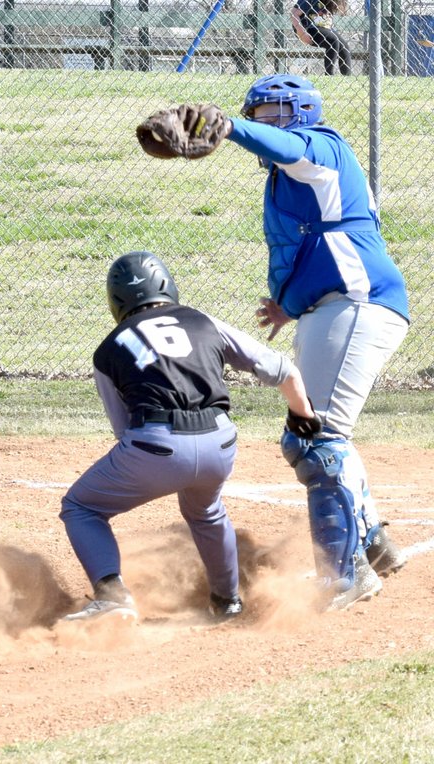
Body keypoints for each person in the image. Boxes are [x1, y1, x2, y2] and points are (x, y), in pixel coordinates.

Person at [219, 74, 410, 610]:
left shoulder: (319, 146)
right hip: (337, 307)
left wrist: (231, 128)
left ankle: (344, 574)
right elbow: (321, 243)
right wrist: (290, 302)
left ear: (300, 112)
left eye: (273, 113)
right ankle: (371, 543)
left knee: (314, 438)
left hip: (357, 304)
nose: (265, 124)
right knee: (321, 435)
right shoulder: (287, 178)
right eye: (257, 116)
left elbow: (289, 145)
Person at [60, 250, 322, 622]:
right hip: (220, 442)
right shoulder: (202, 321)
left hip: (156, 447)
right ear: (168, 286)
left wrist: (159, 462)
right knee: (206, 511)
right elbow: (282, 371)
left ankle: (112, 595)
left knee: (81, 507)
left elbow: (124, 431)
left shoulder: (108, 350)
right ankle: (227, 601)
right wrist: (303, 416)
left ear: (114, 301)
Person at [291, 0, 352, 75]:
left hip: (323, 27)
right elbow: (294, 13)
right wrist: (301, 33)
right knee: (333, 40)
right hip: (308, 28)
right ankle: (329, 76)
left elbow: (342, 11)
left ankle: (347, 77)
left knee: (344, 46)